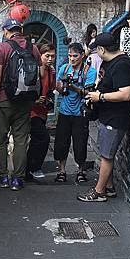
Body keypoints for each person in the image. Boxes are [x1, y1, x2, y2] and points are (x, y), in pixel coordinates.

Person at [78, 32, 130, 202]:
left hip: (116, 117)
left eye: (97, 50)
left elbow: (125, 94)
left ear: (103, 49)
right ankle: (109, 187)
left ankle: (99, 192)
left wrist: (100, 97)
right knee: (104, 152)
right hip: (105, 114)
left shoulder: (122, 65)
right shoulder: (108, 61)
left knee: (106, 156)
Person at [0, 18, 41, 191]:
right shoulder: (33, 48)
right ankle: (17, 179)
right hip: (25, 101)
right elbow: (39, 73)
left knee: (0, 139)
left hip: (4, 100)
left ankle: (1, 176)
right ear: (20, 30)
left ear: (6, 31)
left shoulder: (2, 48)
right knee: (20, 141)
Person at [54, 42, 97, 183]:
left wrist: (72, 86)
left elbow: (89, 92)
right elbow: (59, 88)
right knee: (61, 142)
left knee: (80, 142)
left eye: (75, 56)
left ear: (82, 55)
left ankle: (81, 170)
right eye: (69, 56)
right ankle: (61, 170)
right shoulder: (64, 69)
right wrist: (61, 86)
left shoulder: (89, 71)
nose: (72, 59)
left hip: (80, 112)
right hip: (65, 111)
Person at [26, 43, 57, 180]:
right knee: (43, 138)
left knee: (35, 141)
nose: (50, 59)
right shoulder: (33, 70)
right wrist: (34, 101)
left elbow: (51, 89)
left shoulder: (52, 72)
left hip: (42, 111)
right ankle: (34, 167)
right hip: (30, 111)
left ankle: (28, 171)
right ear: (40, 56)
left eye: (52, 56)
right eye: (47, 56)